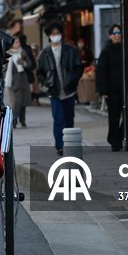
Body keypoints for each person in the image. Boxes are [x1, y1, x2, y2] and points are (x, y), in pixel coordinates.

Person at [36, 21, 84, 156]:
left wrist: (73, 80)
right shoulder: (44, 53)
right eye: (53, 34)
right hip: (54, 92)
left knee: (69, 118)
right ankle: (60, 146)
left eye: (57, 33)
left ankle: (70, 144)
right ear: (49, 36)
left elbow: (79, 67)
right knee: (58, 119)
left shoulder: (70, 50)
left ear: (61, 34)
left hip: (69, 91)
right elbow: (40, 73)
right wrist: (47, 84)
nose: (55, 36)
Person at [95, 24, 125, 151]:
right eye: (115, 33)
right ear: (110, 35)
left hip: (126, 90)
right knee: (114, 117)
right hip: (112, 91)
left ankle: (119, 136)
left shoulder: (126, 49)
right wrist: (103, 91)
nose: (117, 35)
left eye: (119, 33)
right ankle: (114, 141)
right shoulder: (106, 51)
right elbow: (101, 72)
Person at [3, 34, 34, 128]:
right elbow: (3, 68)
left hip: (23, 80)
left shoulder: (23, 52)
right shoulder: (8, 54)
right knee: (15, 102)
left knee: (23, 102)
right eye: (16, 42)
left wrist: (23, 63)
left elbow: (30, 64)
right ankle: (14, 120)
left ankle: (23, 120)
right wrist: (7, 66)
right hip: (12, 82)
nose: (18, 44)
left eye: (19, 42)